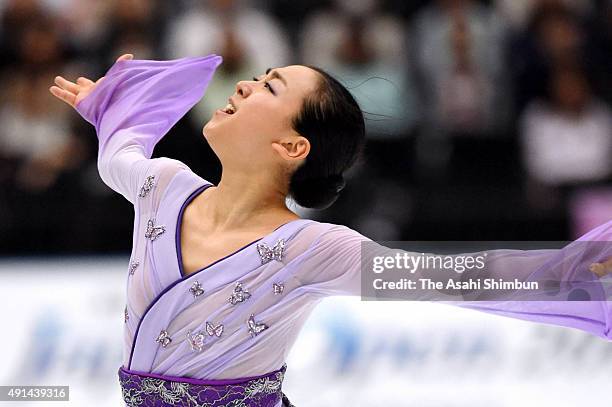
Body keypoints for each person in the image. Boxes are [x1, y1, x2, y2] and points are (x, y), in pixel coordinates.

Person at [49, 53, 612, 407]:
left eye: (269, 88)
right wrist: (109, 105)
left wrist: (572, 273)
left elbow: (455, 277)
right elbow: (118, 151)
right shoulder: (161, 187)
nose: (244, 86)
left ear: (292, 147)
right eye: (255, 78)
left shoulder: (314, 249)